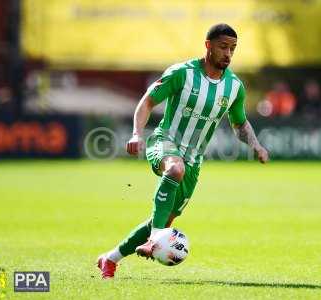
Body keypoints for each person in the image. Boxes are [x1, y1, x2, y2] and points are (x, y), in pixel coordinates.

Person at [97, 23, 269, 279]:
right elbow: (147, 102)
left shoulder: (234, 87)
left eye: (233, 48)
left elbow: (239, 123)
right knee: (174, 169)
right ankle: (155, 238)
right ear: (208, 46)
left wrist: (255, 144)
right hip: (165, 141)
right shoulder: (182, 73)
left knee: (165, 219)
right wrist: (136, 133)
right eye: (223, 47)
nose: (228, 54)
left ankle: (110, 259)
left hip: (194, 160)